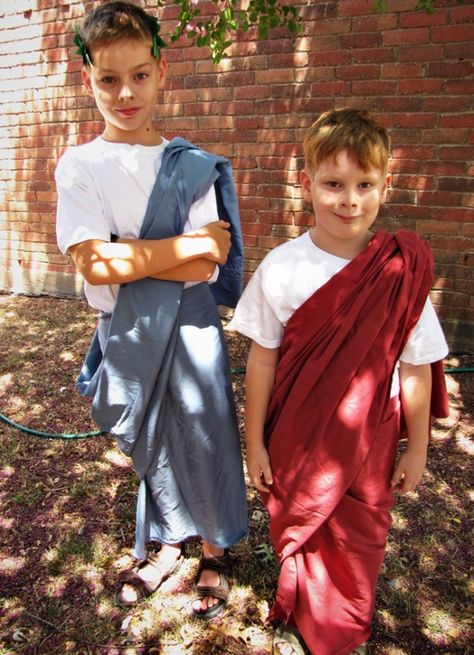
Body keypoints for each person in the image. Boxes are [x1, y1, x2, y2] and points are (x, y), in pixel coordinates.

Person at [229, 108, 449, 655]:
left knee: (358, 537)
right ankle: (303, 603)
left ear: (384, 186)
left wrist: (417, 446)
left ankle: (342, 626)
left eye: (364, 185)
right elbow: (263, 358)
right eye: (332, 184)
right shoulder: (281, 268)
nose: (348, 200)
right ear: (306, 185)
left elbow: (416, 365)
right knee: (301, 522)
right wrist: (253, 440)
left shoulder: (399, 271)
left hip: (369, 438)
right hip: (297, 434)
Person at [55, 0, 247, 618]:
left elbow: (201, 268)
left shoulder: (190, 167)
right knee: (155, 442)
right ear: (89, 79)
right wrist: (181, 246)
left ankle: (214, 549)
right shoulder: (80, 164)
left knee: (207, 431)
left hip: (191, 327)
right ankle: (166, 540)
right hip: (126, 327)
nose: (126, 92)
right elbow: (93, 265)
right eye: (109, 78)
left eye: (139, 74)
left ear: (161, 70)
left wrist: (128, 251)